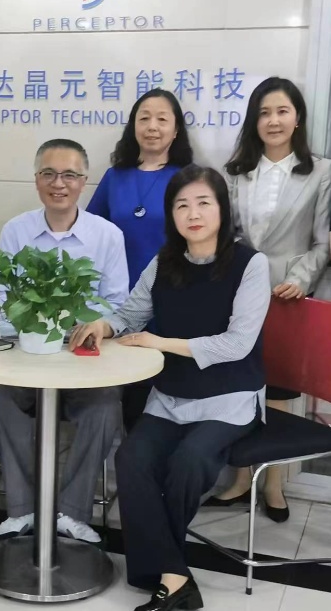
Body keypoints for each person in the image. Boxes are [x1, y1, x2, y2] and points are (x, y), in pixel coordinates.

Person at [70, 165, 271, 611]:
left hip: (230, 396)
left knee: (188, 463)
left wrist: (160, 342)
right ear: (171, 215)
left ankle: (162, 573)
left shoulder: (250, 264)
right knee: (131, 458)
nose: (192, 214)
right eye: (181, 205)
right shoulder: (164, 261)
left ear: (222, 209)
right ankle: (174, 576)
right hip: (172, 395)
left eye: (203, 203)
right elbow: (131, 314)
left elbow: (237, 344)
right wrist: (104, 325)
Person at [0, 138, 129, 544]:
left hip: (82, 358)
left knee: (105, 408)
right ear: (36, 180)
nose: (58, 183)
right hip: (26, 354)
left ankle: (72, 513)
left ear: (83, 181)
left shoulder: (107, 236)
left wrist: (97, 326)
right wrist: (9, 322)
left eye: (69, 175)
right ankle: (24, 508)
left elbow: (118, 306)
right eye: (48, 174)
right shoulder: (16, 230)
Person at [206, 77, 331, 522]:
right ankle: (241, 480)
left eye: (282, 111)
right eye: (264, 113)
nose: (273, 121)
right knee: (241, 386)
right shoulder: (234, 172)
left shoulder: (321, 172)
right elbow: (227, 235)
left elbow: (323, 241)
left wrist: (299, 279)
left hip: (288, 297)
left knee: (277, 390)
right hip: (239, 295)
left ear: (297, 118)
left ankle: (274, 484)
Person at [87, 88, 194, 432]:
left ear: (176, 130)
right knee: (118, 388)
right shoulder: (115, 176)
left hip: (170, 296)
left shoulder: (188, 178)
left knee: (159, 391)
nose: (152, 126)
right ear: (133, 126)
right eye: (144, 118)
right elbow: (91, 233)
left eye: (162, 119)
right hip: (117, 300)